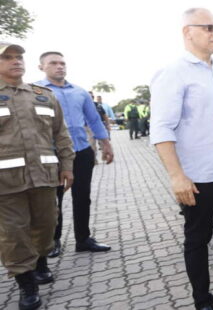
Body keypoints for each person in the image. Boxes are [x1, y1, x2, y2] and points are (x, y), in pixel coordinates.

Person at [151, 8, 213, 310]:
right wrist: (177, 176)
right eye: (208, 27)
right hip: (197, 177)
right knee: (197, 240)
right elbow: (162, 128)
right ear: (187, 32)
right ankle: (202, 300)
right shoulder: (174, 72)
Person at [0, 41, 75, 310]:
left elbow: (60, 134)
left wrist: (67, 166)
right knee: (13, 233)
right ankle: (26, 283)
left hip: (44, 176)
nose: (15, 61)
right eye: (7, 57)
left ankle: (40, 260)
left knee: (46, 224)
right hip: (5, 184)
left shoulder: (42, 95)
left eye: (18, 56)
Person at [36, 51, 115, 255]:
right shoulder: (36, 92)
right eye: (53, 63)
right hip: (51, 154)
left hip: (81, 151)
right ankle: (54, 241)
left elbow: (94, 120)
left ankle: (83, 239)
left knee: (83, 196)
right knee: (54, 199)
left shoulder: (79, 92)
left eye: (62, 63)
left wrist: (106, 144)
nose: (59, 66)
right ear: (41, 67)